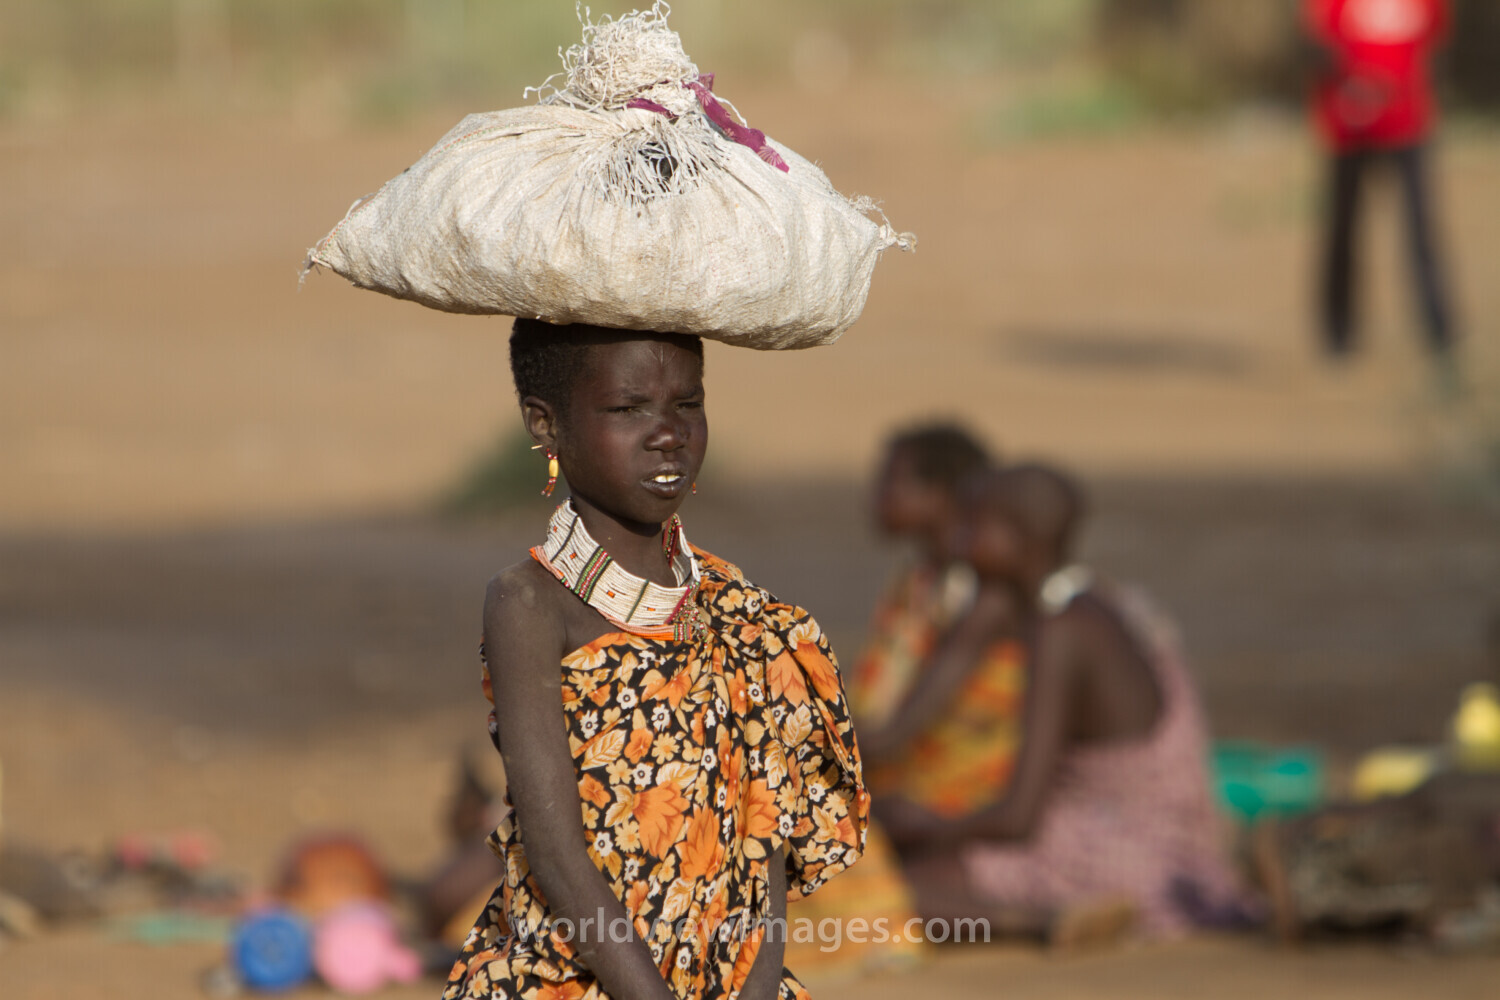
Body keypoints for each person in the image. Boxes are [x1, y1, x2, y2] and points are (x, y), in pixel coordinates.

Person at [443, 321, 867, 1000]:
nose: (667, 433)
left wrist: (758, 991)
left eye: (687, 405)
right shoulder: (531, 605)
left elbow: (768, 835)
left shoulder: (737, 609)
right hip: (575, 976)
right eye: (626, 409)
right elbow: (556, 853)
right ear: (545, 426)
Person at [867, 464, 1247, 940]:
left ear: (1017, 537)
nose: (959, 543)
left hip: (1129, 857)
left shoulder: (1062, 631)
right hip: (1170, 846)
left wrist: (916, 826)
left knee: (890, 890)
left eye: (972, 527)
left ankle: (1041, 924)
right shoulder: (1093, 602)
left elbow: (1016, 817)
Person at [1304, 0, 1457, 366]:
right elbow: (1315, 45)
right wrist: (1350, 86)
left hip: (1407, 123)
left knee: (1420, 229)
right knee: (1343, 231)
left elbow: (1435, 43)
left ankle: (1440, 332)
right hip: (1349, 125)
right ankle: (1338, 333)